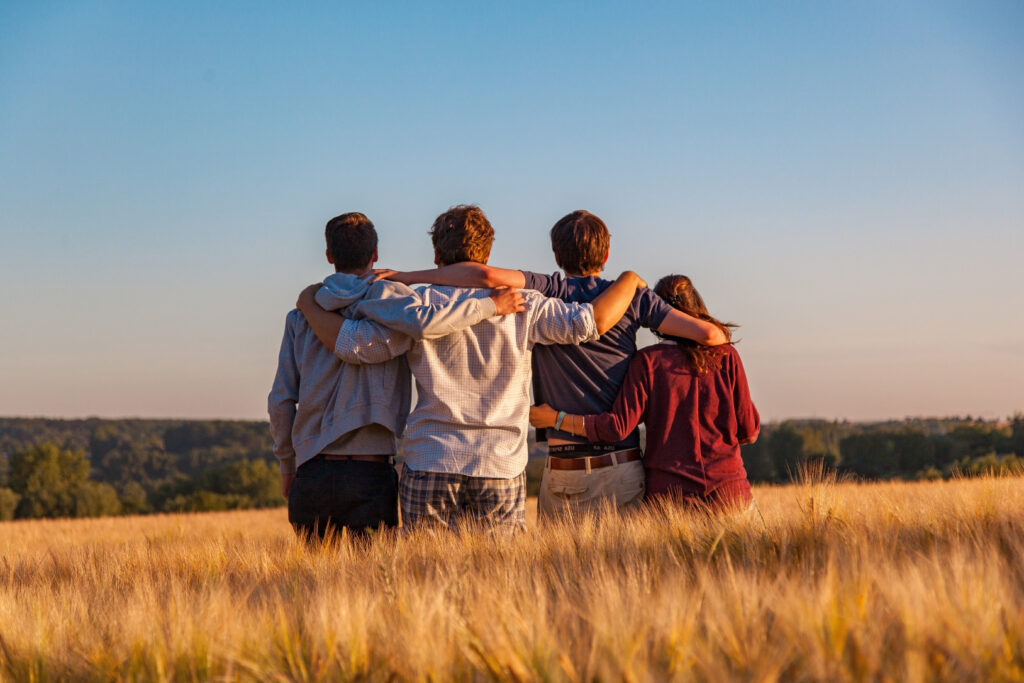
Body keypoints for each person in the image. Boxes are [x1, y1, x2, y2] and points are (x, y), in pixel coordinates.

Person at [296, 205, 646, 534]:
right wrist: (629, 280)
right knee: (499, 580)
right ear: (487, 255)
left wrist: (309, 305)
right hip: (500, 464)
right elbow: (588, 324)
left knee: (425, 579)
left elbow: (356, 347)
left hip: (431, 458)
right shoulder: (525, 304)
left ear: (436, 256)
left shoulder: (416, 305)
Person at [370, 210, 728, 517]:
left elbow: (485, 277)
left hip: (560, 467)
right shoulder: (632, 297)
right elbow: (710, 337)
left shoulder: (548, 289)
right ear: (606, 254)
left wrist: (406, 277)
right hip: (618, 463)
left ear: (556, 254)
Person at [268, 212, 524, 541]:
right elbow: (423, 324)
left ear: (329, 255)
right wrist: (490, 306)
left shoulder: (301, 316)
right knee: (374, 585)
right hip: (371, 472)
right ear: (375, 254)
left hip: (311, 471)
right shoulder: (397, 305)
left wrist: (287, 464)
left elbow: (281, 401)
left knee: (315, 587)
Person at [529, 275, 760, 510]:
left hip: (670, 500)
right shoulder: (726, 356)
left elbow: (617, 427)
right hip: (730, 494)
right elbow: (749, 431)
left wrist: (556, 419)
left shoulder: (648, 362)